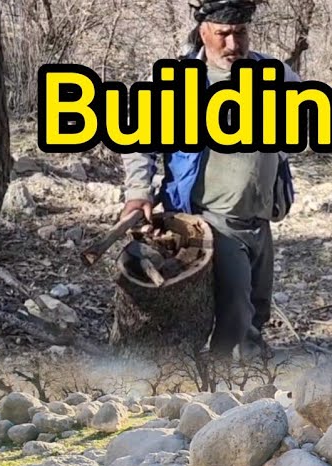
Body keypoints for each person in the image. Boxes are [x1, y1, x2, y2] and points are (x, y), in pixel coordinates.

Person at [120, 0, 298, 361]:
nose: (234, 45)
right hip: (209, 220)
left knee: (257, 306)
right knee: (236, 311)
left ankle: (240, 371)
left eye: (241, 33)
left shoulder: (274, 73)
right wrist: (138, 191)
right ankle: (223, 381)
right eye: (224, 34)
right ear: (204, 32)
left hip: (259, 218)